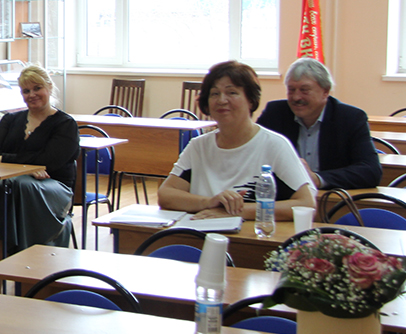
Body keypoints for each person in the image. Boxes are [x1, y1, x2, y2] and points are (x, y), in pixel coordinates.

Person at [158, 60, 315, 220]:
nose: (222, 100)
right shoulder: (198, 146)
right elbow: (166, 194)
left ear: (251, 100)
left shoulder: (275, 145)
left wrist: (237, 211)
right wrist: (210, 202)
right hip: (201, 230)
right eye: (215, 94)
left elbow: (306, 203)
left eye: (232, 92)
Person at [0, 65, 79, 253]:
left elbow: (50, 162)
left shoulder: (65, 124)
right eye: (26, 91)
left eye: (37, 88)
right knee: (5, 187)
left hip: (55, 187)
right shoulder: (10, 120)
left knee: (19, 186)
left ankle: (24, 254)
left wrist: (7, 159)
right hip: (11, 183)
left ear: (49, 87)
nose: (32, 95)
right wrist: (28, 168)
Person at [257, 57, 381, 190]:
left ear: (325, 91)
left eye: (304, 90)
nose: (296, 97)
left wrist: (317, 179)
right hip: (284, 197)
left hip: (331, 197)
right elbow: (252, 154)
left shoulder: (350, 118)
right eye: (291, 90)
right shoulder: (275, 113)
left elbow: (370, 171)